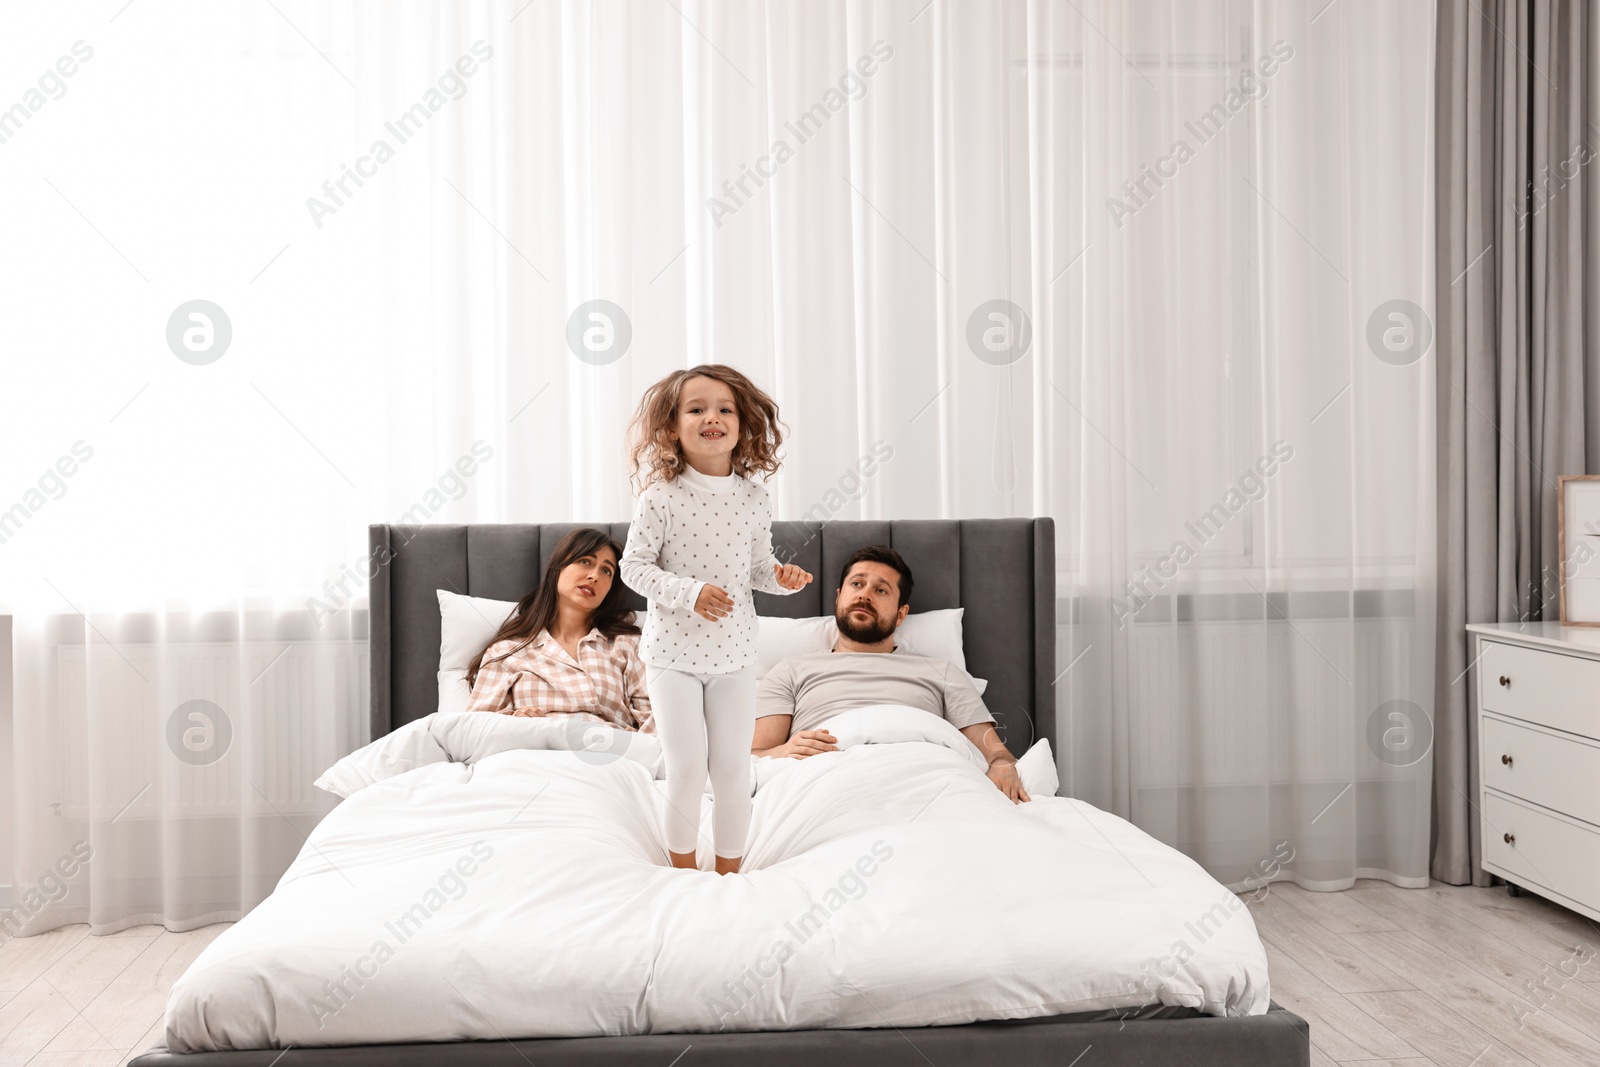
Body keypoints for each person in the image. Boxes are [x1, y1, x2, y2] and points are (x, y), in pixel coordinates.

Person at [619, 364, 812, 875]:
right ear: (672, 427)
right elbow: (634, 568)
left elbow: (754, 569)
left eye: (725, 409)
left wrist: (781, 578)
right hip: (672, 658)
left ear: (743, 424)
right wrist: (689, 593)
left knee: (731, 770)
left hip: (734, 656)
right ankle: (682, 871)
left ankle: (730, 873)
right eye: (696, 409)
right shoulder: (659, 497)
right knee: (685, 768)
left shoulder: (753, 497)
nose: (712, 418)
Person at [751, 544, 1031, 803]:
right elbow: (755, 757)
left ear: (900, 614)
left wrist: (1003, 766)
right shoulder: (791, 670)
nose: (865, 595)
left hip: (926, 781)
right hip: (826, 783)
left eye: (881, 590)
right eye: (857, 584)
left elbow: (996, 754)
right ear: (839, 598)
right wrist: (784, 751)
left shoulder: (941, 672)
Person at [464, 527, 653, 733]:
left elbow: (657, 725)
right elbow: (475, 731)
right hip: (535, 750)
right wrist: (515, 720)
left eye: (606, 571)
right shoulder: (506, 651)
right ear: (558, 568)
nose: (594, 576)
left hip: (608, 753)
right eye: (585, 561)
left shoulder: (628, 645)